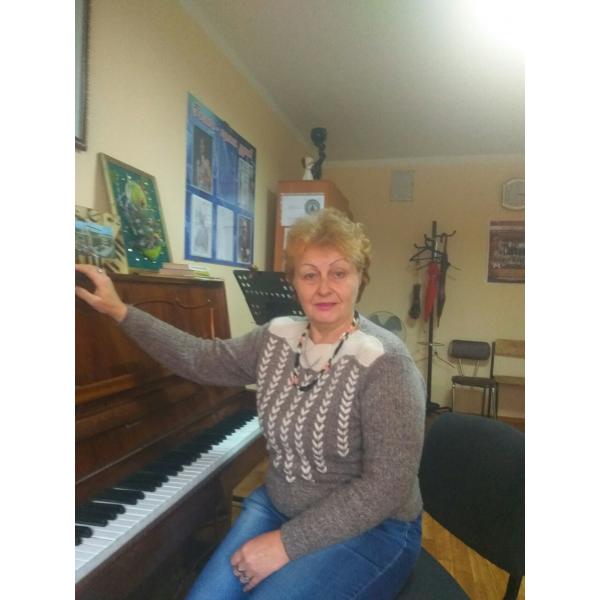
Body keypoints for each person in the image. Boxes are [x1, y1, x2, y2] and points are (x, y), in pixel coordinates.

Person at [74, 208, 425, 599]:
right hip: (279, 506)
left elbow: (386, 487)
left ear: (361, 278)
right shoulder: (276, 337)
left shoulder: (386, 362)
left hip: (374, 528)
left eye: (339, 273)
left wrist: (285, 544)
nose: (324, 288)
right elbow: (200, 358)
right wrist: (121, 311)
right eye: (310, 275)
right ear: (293, 282)